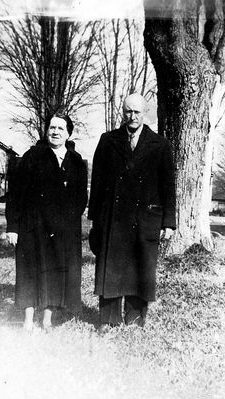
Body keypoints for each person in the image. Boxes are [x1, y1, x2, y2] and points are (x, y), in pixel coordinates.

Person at [88, 93, 176, 328]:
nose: (132, 116)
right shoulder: (108, 141)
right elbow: (96, 182)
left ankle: (135, 319)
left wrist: (168, 222)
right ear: (123, 112)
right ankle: (109, 320)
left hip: (145, 219)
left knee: (140, 269)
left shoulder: (160, 144)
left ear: (145, 113)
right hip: (112, 219)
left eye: (137, 112)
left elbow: (168, 187)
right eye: (128, 111)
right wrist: (95, 219)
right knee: (111, 268)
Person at [6, 113, 88, 331]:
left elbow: (81, 198)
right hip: (32, 227)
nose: (55, 132)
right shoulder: (32, 156)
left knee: (53, 272)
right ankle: (27, 321)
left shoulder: (76, 162)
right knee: (29, 271)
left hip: (61, 230)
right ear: (46, 131)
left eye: (60, 128)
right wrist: (13, 227)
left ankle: (47, 320)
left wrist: (66, 220)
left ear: (68, 133)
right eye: (52, 127)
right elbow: (15, 194)